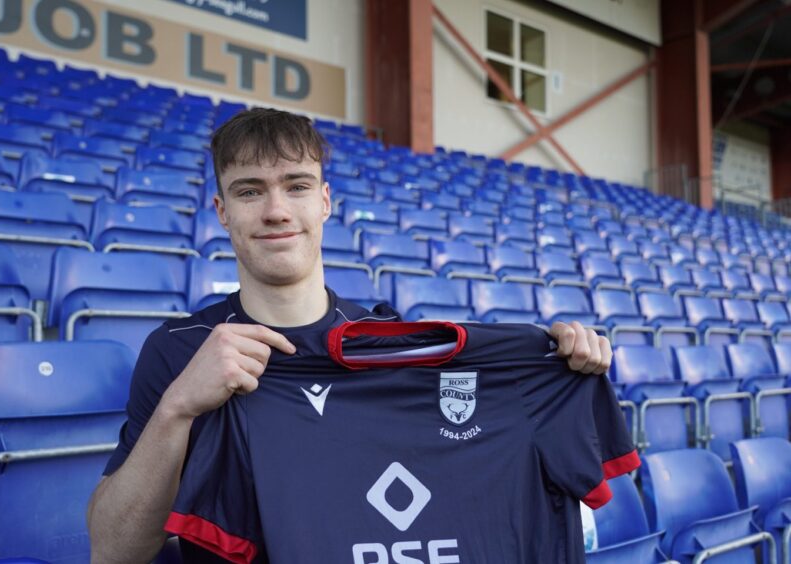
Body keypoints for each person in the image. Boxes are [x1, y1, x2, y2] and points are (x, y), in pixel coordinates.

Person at [87, 108, 613, 563]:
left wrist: (561, 357)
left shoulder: (391, 344)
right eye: (250, 191)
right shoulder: (179, 348)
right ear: (223, 211)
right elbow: (114, 552)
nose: (276, 210)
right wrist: (178, 407)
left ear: (325, 202)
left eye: (296, 186)